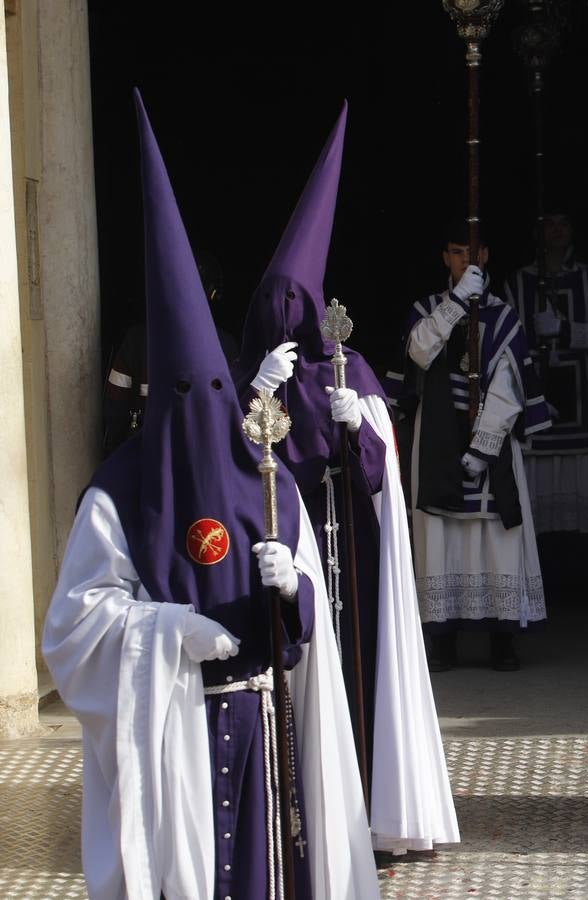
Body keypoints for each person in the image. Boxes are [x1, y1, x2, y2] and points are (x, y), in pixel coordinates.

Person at [42, 91, 377, 900]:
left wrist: (292, 588)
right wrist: (168, 631)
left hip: (261, 728)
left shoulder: (270, 486)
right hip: (171, 742)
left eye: (211, 390)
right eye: (180, 393)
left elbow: (308, 630)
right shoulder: (117, 495)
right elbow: (71, 629)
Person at [236, 104, 459, 855]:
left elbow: (375, 474)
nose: (282, 318)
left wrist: (357, 421)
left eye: (290, 307)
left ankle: (364, 810)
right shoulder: (254, 375)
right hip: (282, 554)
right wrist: (253, 396)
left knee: (358, 680)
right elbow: (230, 459)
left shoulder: (346, 367)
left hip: (348, 555)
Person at [403, 224, 550, 671]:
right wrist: (453, 306)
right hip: (436, 444)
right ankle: (443, 640)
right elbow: (419, 352)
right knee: (440, 537)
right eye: (455, 252)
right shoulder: (427, 309)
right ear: (444, 258)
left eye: (472, 252)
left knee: (496, 537)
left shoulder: (503, 316)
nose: (464, 260)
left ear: (485, 255)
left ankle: (502, 639)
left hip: (492, 445)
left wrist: (484, 446)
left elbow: (508, 388)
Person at [503, 208, 588, 541]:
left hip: (586, 409)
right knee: (537, 526)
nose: (555, 230)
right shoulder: (517, 283)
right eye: (547, 223)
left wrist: (566, 331)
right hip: (538, 406)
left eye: (562, 222)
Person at [101, 252, 239, 456]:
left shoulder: (137, 340)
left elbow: (115, 412)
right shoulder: (226, 346)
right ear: (212, 294)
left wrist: (114, 462)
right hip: (205, 459)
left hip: (147, 457)